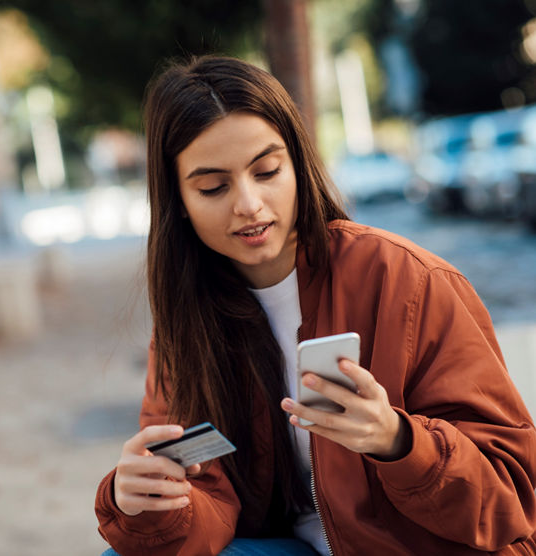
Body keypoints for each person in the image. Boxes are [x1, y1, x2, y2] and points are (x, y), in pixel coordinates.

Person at [94, 56, 536, 555]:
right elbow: (207, 501)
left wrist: (398, 441)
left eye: (267, 171)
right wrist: (146, 502)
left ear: (298, 166)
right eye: (213, 186)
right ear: (177, 199)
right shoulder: (188, 321)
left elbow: (512, 501)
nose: (249, 204)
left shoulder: (407, 281)